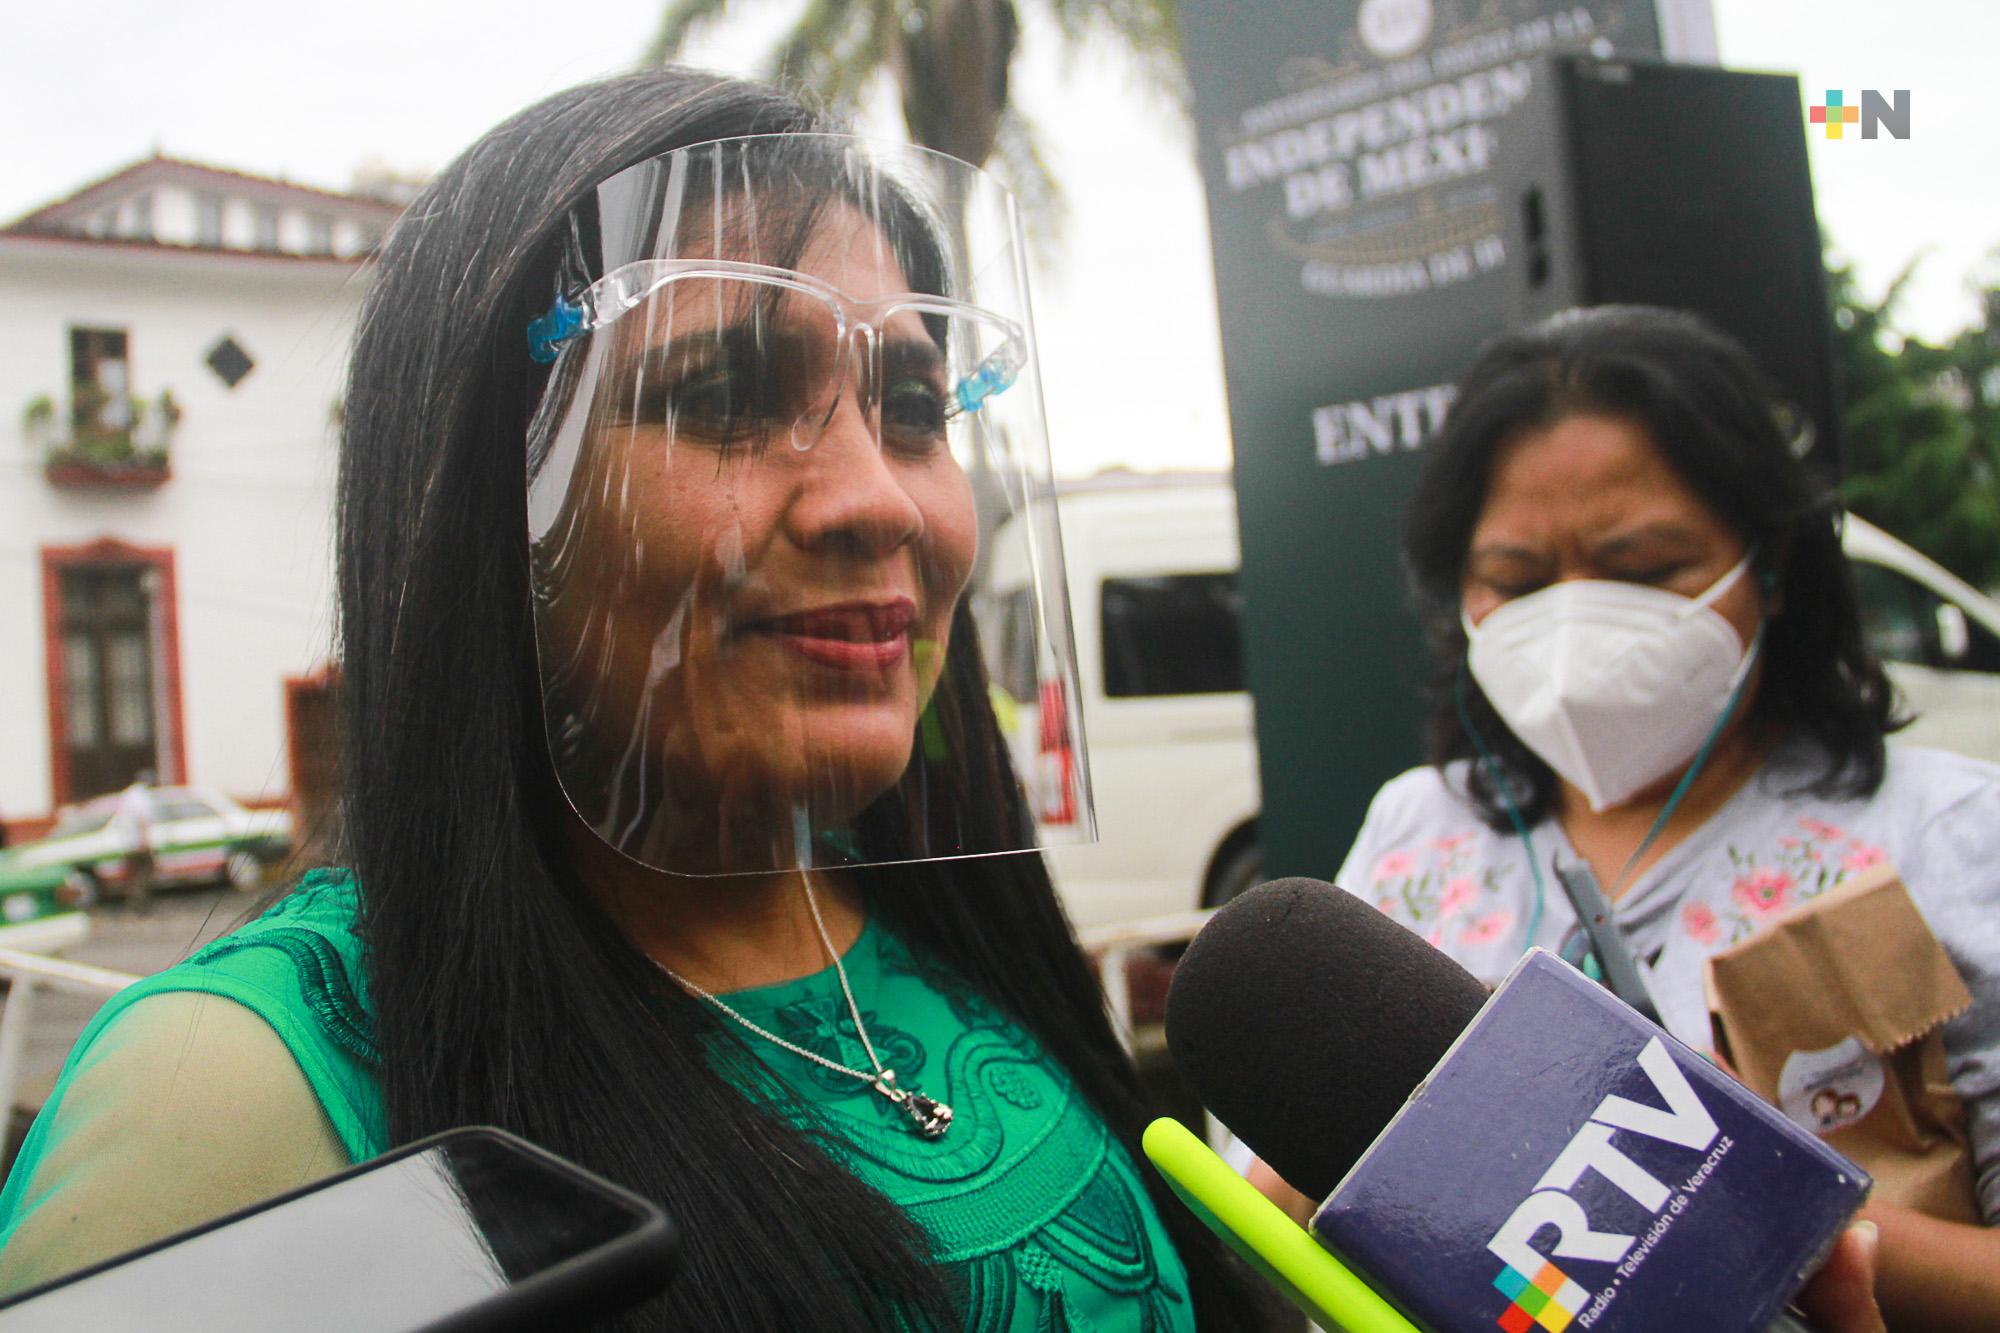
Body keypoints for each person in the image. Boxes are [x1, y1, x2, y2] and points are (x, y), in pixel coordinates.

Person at [0, 70, 1270, 1329]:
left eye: (913, 407)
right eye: (721, 396)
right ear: (476, 504)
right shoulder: (236, 1090)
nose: (878, 500)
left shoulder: (953, 935)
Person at [1308, 306, 1996, 1329]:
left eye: (1643, 568)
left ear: (1770, 563)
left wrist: (1749, 1197)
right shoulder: (1415, 833)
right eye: (1517, 580)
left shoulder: (1947, 833)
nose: (1574, 622)